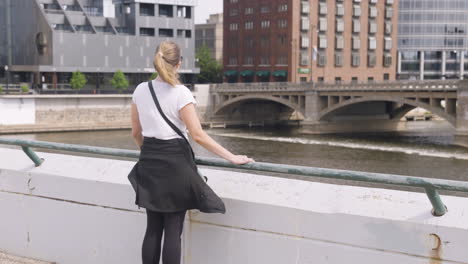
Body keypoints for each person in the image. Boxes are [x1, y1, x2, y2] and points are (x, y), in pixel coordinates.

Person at [129, 40, 254, 264]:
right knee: (173, 229)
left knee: (153, 229)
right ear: (179, 64)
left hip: (149, 161)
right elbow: (197, 135)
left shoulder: (140, 90)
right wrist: (232, 157)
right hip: (175, 164)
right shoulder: (181, 93)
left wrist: (149, 154)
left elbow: (136, 132)